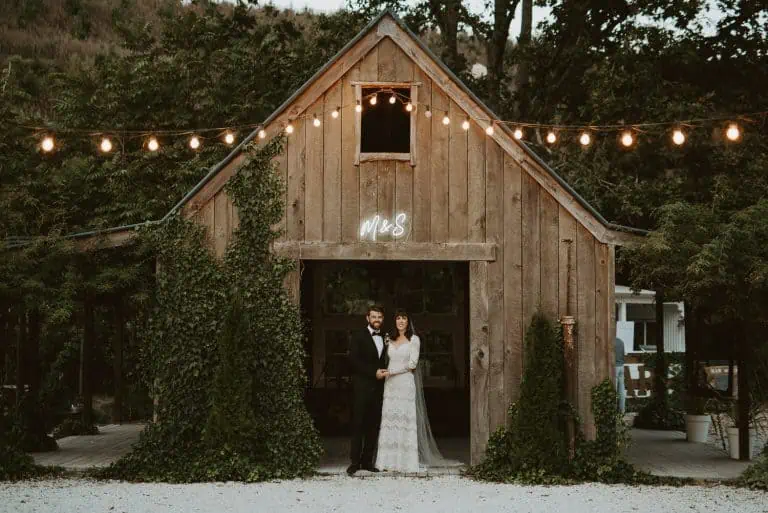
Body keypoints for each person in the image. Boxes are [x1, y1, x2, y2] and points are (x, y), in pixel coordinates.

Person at [375, 309, 453, 473]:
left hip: (404, 383)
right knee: (390, 420)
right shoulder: (390, 338)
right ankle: (388, 462)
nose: (401, 321)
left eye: (404, 318)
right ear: (395, 321)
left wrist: (391, 372)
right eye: (398, 318)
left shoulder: (414, 339)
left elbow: (412, 364)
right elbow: (384, 359)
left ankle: (406, 462)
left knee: (404, 420)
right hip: (390, 385)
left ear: (408, 321)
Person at [347, 305, 388, 476]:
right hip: (361, 387)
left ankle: (367, 461)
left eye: (379, 317)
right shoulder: (358, 336)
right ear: (367, 318)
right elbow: (353, 361)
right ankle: (354, 463)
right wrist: (373, 372)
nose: (376, 319)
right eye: (374, 316)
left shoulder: (386, 337)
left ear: (382, 319)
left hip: (379, 389)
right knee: (358, 425)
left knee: (373, 425)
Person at [615, 336, 626, 414]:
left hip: (614, 367)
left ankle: (613, 410)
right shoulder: (621, 341)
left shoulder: (610, 342)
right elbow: (623, 355)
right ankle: (622, 410)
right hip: (621, 366)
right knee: (621, 390)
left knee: (614, 389)